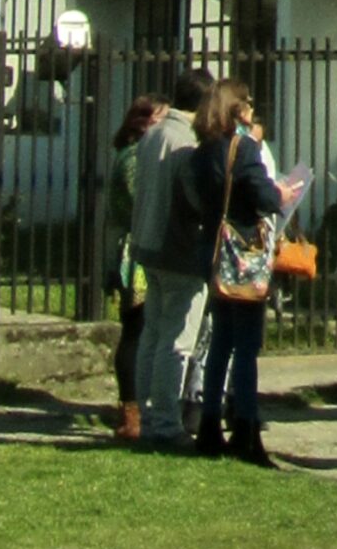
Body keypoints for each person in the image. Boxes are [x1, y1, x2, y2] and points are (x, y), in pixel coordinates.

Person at [179, 79, 291, 468]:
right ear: (234, 109)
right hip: (242, 255)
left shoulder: (201, 151)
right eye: (246, 104)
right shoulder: (242, 148)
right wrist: (282, 195)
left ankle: (210, 422)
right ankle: (245, 425)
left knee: (220, 343)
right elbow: (263, 196)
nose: (251, 110)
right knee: (246, 345)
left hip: (213, 252)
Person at [128, 68, 215, 450]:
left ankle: (148, 414)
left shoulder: (153, 134)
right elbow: (195, 199)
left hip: (147, 245)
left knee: (152, 333)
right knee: (176, 340)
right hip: (178, 249)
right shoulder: (186, 143)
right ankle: (164, 421)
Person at [103, 94, 163, 440]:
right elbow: (141, 199)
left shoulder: (140, 155)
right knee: (135, 330)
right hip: (133, 254)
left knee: (140, 329)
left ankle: (138, 405)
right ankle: (130, 410)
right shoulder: (133, 158)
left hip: (138, 248)